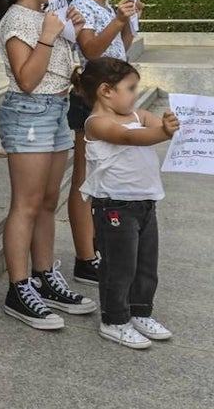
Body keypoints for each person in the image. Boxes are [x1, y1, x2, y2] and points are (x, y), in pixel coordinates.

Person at [0, 0, 96, 330]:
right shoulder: (17, 20)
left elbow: (60, 71)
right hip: (28, 112)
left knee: (48, 201)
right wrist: (50, 37)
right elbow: (27, 79)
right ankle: (18, 288)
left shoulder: (44, 15)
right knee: (27, 203)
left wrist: (72, 33)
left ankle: (44, 274)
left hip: (55, 110)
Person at [73, 58, 178, 349]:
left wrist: (172, 124)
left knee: (146, 264)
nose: (135, 94)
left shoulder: (137, 113)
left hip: (145, 202)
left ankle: (140, 311)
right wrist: (164, 132)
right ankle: (114, 319)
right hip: (114, 207)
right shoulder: (97, 123)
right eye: (131, 88)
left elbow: (153, 125)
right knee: (120, 266)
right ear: (106, 90)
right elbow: (131, 137)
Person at [63, 0, 141, 287]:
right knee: (84, 179)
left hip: (110, 98)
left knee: (103, 175)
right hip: (90, 99)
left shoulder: (106, 4)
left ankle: (95, 245)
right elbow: (91, 49)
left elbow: (121, 45)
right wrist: (119, 19)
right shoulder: (81, 5)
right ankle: (83, 256)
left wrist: (128, 20)